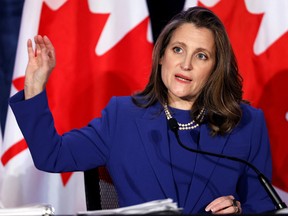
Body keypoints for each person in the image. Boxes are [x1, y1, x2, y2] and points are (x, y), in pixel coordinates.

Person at [9, 6, 275, 214]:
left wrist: (239, 209)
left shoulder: (246, 124)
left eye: (201, 55)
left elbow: (263, 205)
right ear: (162, 56)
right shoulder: (122, 116)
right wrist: (34, 85)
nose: (186, 64)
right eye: (178, 49)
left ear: (216, 67)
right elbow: (51, 156)